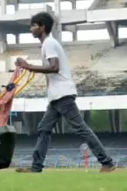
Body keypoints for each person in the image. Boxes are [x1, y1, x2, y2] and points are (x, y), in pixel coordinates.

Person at [12, 11, 115, 173]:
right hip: (56, 96)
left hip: (62, 95)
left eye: (33, 26)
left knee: (81, 128)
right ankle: (36, 167)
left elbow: (54, 67)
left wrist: (28, 66)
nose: (31, 29)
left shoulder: (49, 44)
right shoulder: (47, 44)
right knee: (44, 129)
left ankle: (107, 162)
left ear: (42, 27)